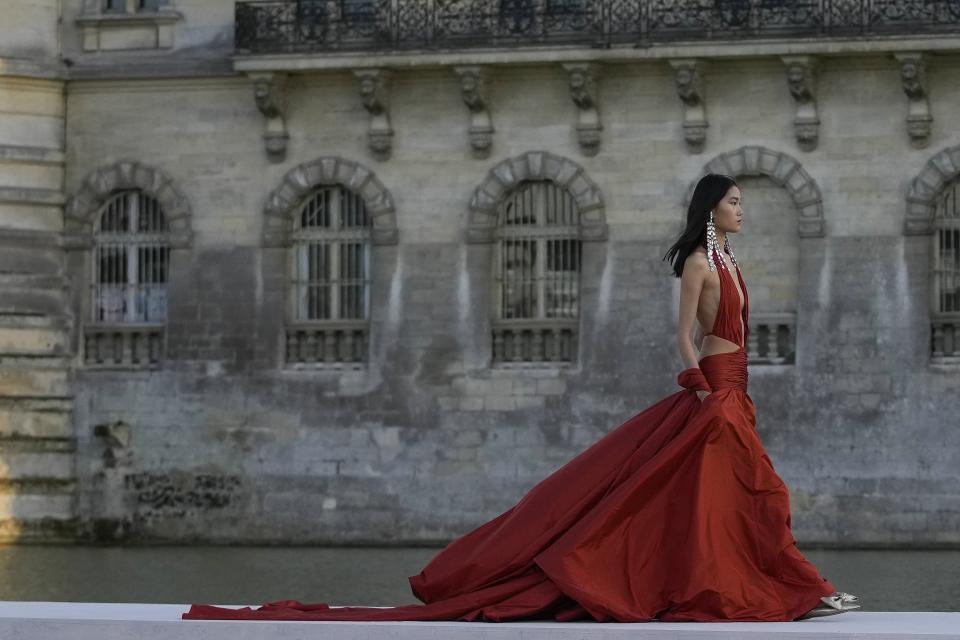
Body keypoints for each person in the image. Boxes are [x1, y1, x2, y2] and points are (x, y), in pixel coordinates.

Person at [183, 173, 860, 623]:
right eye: (736, 201)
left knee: (724, 499)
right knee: (748, 490)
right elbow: (683, 336)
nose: (743, 209)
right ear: (712, 206)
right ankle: (798, 590)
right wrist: (702, 388)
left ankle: (778, 588)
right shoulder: (697, 263)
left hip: (735, 392)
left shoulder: (732, 261)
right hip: (715, 394)